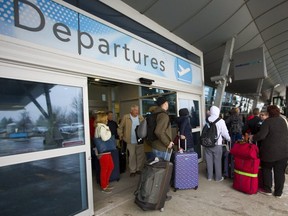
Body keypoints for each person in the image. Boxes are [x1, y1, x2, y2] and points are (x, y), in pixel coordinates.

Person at [250, 105, 288, 198]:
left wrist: (253, 137)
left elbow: (261, 135)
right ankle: (278, 193)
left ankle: (268, 189)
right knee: (279, 173)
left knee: (266, 170)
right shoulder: (283, 120)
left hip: (269, 152)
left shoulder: (267, 122)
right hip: (283, 152)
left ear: (269, 113)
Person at [151, 96, 174, 201]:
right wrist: (168, 143)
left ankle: (154, 193)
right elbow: (159, 131)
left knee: (156, 171)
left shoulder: (154, 114)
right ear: (164, 103)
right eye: (167, 102)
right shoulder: (164, 115)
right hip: (162, 148)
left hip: (155, 145)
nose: (168, 104)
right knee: (163, 173)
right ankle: (161, 196)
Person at [117, 105, 145, 177]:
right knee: (132, 156)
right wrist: (121, 136)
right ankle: (133, 170)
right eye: (135, 110)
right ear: (131, 111)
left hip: (139, 140)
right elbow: (120, 128)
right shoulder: (126, 117)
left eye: (137, 110)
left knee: (140, 156)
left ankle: (138, 169)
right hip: (130, 141)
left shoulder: (141, 117)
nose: (137, 111)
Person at [205, 105, 231, 182]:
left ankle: (209, 176)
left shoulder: (206, 119)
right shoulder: (221, 121)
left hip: (207, 143)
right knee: (217, 161)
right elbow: (225, 133)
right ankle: (218, 178)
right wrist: (229, 138)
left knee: (209, 160)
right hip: (217, 144)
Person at [94, 112, 115, 194]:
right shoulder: (102, 127)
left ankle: (106, 184)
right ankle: (104, 186)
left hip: (105, 152)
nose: (107, 119)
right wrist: (109, 131)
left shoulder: (99, 127)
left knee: (110, 167)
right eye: (106, 118)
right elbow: (105, 138)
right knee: (105, 169)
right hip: (104, 152)